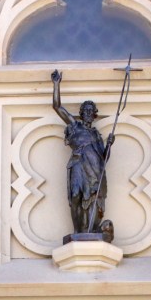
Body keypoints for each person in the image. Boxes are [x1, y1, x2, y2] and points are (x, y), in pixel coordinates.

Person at [51, 69, 114, 234]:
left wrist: (109, 145)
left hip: (94, 170)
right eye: (85, 110)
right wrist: (56, 84)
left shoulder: (96, 135)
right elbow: (57, 107)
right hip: (78, 163)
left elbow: (104, 158)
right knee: (76, 195)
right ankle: (77, 231)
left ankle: (89, 230)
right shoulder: (75, 126)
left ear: (94, 115)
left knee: (92, 199)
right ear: (81, 113)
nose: (87, 113)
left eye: (90, 111)